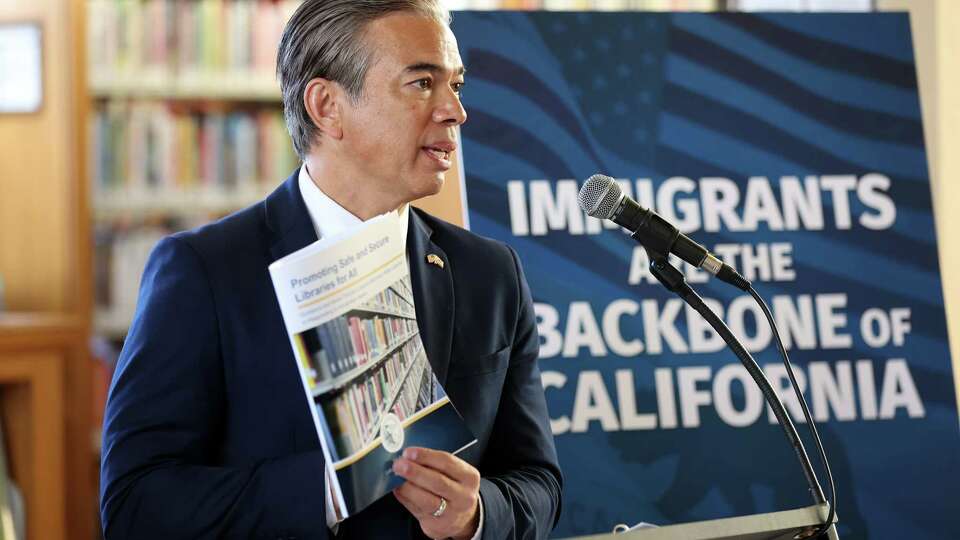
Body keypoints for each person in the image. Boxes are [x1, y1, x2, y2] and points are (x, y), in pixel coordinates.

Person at [99, 1, 562, 538]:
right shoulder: (204, 272)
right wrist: (328, 491)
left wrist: (475, 512)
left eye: (456, 85)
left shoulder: (491, 273)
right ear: (326, 106)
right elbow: (136, 504)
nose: (455, 111)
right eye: (421, 83)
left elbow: (540, 482)